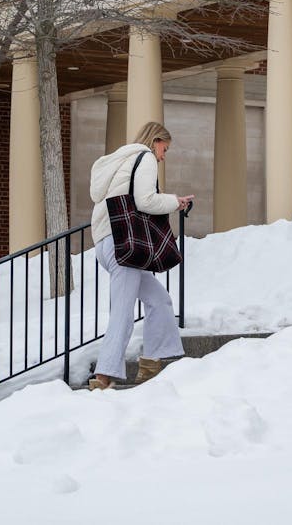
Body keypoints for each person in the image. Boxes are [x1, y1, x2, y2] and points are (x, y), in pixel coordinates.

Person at [87, 121, 194, 390]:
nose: (163, 155)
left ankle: (151, 363)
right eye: (165, 149)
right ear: (155, 141)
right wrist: (175, 201)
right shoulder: (144, 158)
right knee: (122, 311)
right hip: (123, 243)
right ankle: (104, 375)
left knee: (160, 301)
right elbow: (145, 200)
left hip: (107, 242)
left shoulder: (118, 161)